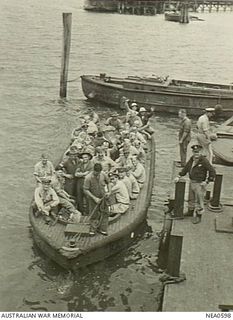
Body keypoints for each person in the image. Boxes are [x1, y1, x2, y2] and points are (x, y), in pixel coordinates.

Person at [174, 144, 216, 224]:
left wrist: (207, 181)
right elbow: (186, 168)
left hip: (199, 184)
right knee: (191, 198)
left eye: (198, 152)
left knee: (199, 200)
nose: (196, 153)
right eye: (195, 152)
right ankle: (190, 211)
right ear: (193, 152)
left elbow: (212, 171)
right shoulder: (192, 159)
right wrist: (179, 176)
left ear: (201, 152)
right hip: (192, 181)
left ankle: (198, 216)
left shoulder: (203, 161)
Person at [83, 163, 111, 235]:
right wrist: (94, 198)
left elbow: (108, 183)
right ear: (93, 170)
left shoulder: (103, 174)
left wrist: (109, 192)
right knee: (94, 215)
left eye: (99, 172)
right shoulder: (88, 178)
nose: (97, 174)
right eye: (96, 172)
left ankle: (103, 229)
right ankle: (93, 229)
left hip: (103, 198)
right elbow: (85, 190)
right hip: (93, 199)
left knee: (105, 213)